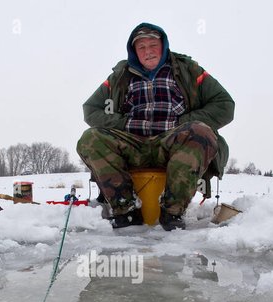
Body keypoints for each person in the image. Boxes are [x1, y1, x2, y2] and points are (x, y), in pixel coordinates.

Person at [77, 22, 234, 230]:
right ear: (134, 51)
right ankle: (126, 210)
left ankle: (172, 212)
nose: (148, 51)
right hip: (132, 145)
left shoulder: (189, 70)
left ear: (164, 46)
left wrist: (182, 122)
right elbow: (91, 109)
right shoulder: (120, 76)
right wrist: (123, 123)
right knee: (90, 138)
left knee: (201, 133)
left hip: (172, 142)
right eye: (141, 47)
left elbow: (224, 105)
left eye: (153, 45)